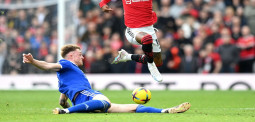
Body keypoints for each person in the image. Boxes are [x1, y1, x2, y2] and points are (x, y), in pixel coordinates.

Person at [99, 0, 214, 82]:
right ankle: (150, 65)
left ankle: (127, 56)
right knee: (147, 41)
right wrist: (103, 4)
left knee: (158, 61)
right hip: (132, 30)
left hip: (149, 28)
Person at [22, 44, 191, 114]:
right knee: (105, 101)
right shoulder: (65, 63)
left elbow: (63, 94)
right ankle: (66, 114)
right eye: (80, 54)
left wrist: (64, 101)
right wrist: (33, 61)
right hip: (87, 95)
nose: (83, 57)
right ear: (72, 55)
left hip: (82, 98)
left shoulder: (69, 72)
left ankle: (165, 111)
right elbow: (48, 65)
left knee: (131, 107)